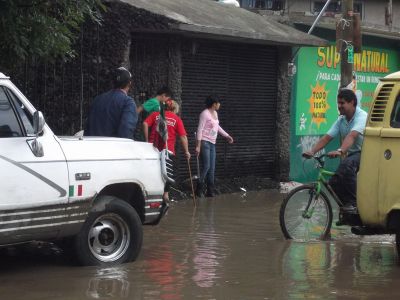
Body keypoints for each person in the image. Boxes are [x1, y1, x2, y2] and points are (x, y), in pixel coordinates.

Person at [303, 88, 368, 213]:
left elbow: (352, 136)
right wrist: (312, 151)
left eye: (342, 103)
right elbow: (327, 137)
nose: (339, 106)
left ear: (352, 103)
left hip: (366, 153)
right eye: (338, 103)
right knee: (333, 183)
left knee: (346, 165)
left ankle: (354, 204)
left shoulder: (362, 117)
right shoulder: (341, 120)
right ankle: (347, 210)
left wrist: (340, 150)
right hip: (351, 154)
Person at [143, 99, 190, 202]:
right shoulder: (176, 119)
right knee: (168, 173)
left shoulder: (156, 114)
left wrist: (147, 141)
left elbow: (145, 124)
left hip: (152, 149)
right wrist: (187, 151)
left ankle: (151, 194)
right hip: (168, 150)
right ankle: (165, 195)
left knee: (153, 172)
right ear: (175, 109)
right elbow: (183, 137)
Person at [195, 95, 234, 197]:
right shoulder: (204, 114)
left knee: (212, 168)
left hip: (212, 143)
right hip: (205, 142)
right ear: (214, 104)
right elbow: (200, 129)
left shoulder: (215, 113)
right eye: (218, 103)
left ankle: (210, 190)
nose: (219, 105)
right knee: (207, 166)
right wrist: (198, 145)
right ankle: (199, 188)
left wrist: (227, 135)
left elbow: (217, 127)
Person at [85, 67, 137, 139]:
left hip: (92, 147)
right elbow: (126, 132)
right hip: (113, 148)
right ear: (129, 83)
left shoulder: (97, 99)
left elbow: (87, 127)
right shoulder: (128, 102)